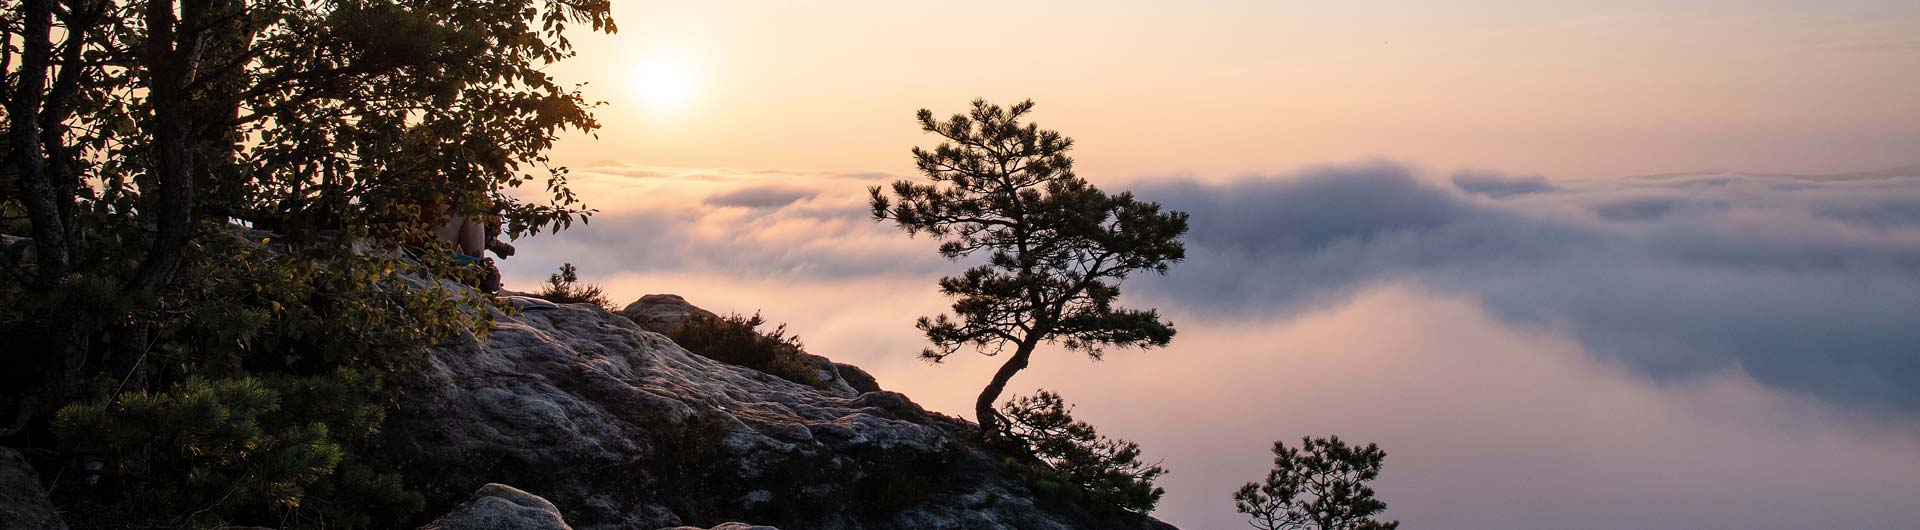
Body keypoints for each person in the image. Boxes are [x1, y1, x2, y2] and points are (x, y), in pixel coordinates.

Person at [427, 202, 514, 293]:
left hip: (436, 245)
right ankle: (481, 274)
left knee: (467, 206)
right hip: (426, 246)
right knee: (469, 209)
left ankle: (482, 271)